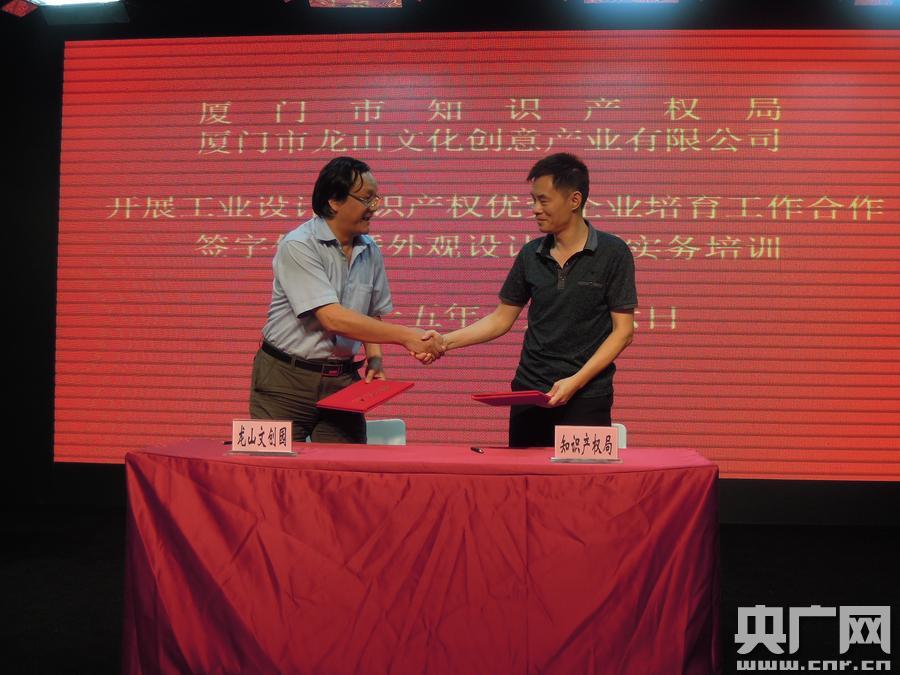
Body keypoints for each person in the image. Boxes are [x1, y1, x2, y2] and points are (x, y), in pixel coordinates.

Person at [440, 153, 637, 447]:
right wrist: (443, 342)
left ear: (574, 200)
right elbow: (500, 319)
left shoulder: (613, 253)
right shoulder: (530, 254)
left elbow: (623, 332)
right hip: (530, 393)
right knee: (525, 475)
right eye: (533, 200)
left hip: (586, 396)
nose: (535, 209)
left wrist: (575, 381)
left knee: (582, 477)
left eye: (543, 200)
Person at [249, 156, 441, 443]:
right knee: (273, 467)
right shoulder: (298, 245)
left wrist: (374, 358)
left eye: (376, 199)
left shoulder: (370, 249)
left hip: (342, 382)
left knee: (344, 467)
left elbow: (371, 312)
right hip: (283, 381)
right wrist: (407, 337)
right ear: (335, 201)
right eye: (366, 199)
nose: (373, 208)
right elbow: (333, 318)